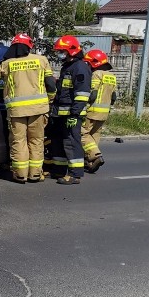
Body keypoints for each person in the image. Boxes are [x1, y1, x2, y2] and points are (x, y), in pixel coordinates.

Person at [0, 33, 55, 183]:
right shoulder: (42, 60)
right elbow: (51, 84)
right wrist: (49, 99)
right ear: (29, 46)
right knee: (36, 141)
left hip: (17, 111)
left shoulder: (8, 64)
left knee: (19, 141)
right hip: (39, 110)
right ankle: (35, 175)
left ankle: (20, 175)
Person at [46, 35, 92, 185]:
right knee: (58, 142)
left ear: (71, 51)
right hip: (60, 113)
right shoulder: (68, 66)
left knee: (71, 142)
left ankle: (75, 174)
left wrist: (75, 113)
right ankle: (58, 171)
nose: (60, 54)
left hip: (71, 114)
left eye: (62, 51)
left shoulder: (80, 67)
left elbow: (82, 93)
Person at [82, 49, 117, 173]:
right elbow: (113, 97)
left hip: (92, 111)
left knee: (83, 134)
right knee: (95, 136)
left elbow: (93, 94)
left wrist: (83, 103)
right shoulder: (112, 76)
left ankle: (95, 156)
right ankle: (90, 162)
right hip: (104, 113)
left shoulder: (96, 74)